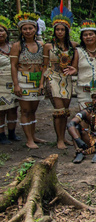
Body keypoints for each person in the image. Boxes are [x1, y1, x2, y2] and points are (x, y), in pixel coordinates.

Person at [41, 0, 78, 149]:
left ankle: (64, 137)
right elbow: (44, 66)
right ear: (54, 30)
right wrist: (40, 84)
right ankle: (59, 140)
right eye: (58, 29)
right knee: (58, 110)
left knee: (65, 111)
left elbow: (75, 63)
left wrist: (74, 69)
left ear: (67, 30)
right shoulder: (48, 46)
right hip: (53, 78)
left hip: (67, 79)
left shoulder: (73, 45)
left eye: (62, 30)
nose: (60, 32)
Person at [10, 12, 46, 149]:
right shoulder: (17, 45)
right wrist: (16, 85)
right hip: (23, 80)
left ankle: (33, 135)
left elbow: (44, 65)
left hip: (37, 81)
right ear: (21, 30)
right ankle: (29, 139)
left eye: (30, 28)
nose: (28, 31)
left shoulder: (42, 45)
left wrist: (42, 82)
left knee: (33, 110)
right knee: (25, 110)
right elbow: (13, 66)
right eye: (25, 29)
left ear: (35, 29)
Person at [73, 20, 96, 110]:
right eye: (85, 35)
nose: (88, 37)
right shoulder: (78, 51)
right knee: (86, 116)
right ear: (82, 38)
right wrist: (73, 70)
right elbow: (75, 68)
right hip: (85, 90)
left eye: (91, 34)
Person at [0, 16, 20, 144]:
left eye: (1, 30)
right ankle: (1, 135)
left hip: (14, 81)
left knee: (13, 108)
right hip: (0, 83)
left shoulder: (13, 46)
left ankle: (12, 133)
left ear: (6, 33)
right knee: (1, 110)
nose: (0, 33)